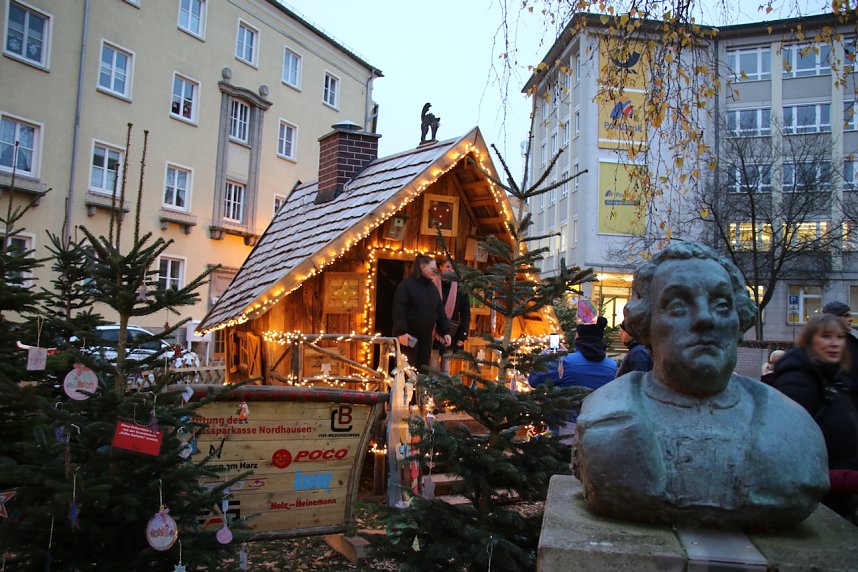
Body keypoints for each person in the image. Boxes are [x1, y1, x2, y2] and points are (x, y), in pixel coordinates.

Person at [574, 242, 828, 528]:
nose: (705, 319)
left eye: (721, 305)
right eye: (678, 306)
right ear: (646, 324)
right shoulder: (605, 419)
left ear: (738, 320)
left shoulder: (792, 428)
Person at [772, 313, 858, 523]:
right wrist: (846, 480)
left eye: (839, 337)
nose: (834, 343)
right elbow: (787, 455)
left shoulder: (838, 380)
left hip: (841, 500)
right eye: (826, 336)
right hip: (818, 504)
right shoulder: (797, 383)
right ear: (809, 340)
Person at [392, 254, 451, 373]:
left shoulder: (432, 288)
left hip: (426, 337)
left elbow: (439, 309)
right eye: (432, 269)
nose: (435, 272)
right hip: (409, 337)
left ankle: (420, 392)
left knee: (422, 370)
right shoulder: (406, 286)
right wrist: (401, 332)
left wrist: (445, 331)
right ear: (422, 267)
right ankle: (405, 392)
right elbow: (399, 311)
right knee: (407, 370)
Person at [431, 255, 470, 374]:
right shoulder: (432, 285)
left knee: (446, 367)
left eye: (453, 268)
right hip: (433, 331)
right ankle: (431, 392)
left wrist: (462, 335)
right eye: (448, 266)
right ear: (441, 267)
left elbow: (465, 313)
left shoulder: (460, 288)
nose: (450, 270)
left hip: (451, 331)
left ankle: (444, 392)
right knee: (432, 366)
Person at [822, 300, 858, 384]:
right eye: (846, 316)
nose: (851, 319)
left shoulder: (851, 340)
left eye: (851, 316)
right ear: (832, 318)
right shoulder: (818, 342)